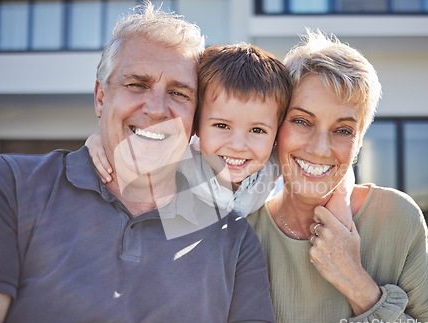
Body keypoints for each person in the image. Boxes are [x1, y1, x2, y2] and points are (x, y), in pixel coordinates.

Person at [0, 3, 278, 323]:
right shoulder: (10, 185)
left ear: (195, 121)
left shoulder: (233, 237)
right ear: (101, 98)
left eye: (178, 92)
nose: (158, 108)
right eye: (137, 84)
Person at [247, 30, 428, 323]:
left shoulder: (397, 217)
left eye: (343, 130)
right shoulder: (244, 231)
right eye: (302, 121)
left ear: (358, 144)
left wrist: (358, 286)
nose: (320, 148)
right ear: (277, 126)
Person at [87, 42, 294, 218]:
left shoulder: (273, 162)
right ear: (196, 125)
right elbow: (142, 144)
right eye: (222, 126)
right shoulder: (181, 163)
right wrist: (97, 142)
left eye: (257, 130)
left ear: (276, 134)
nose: (238, 145)